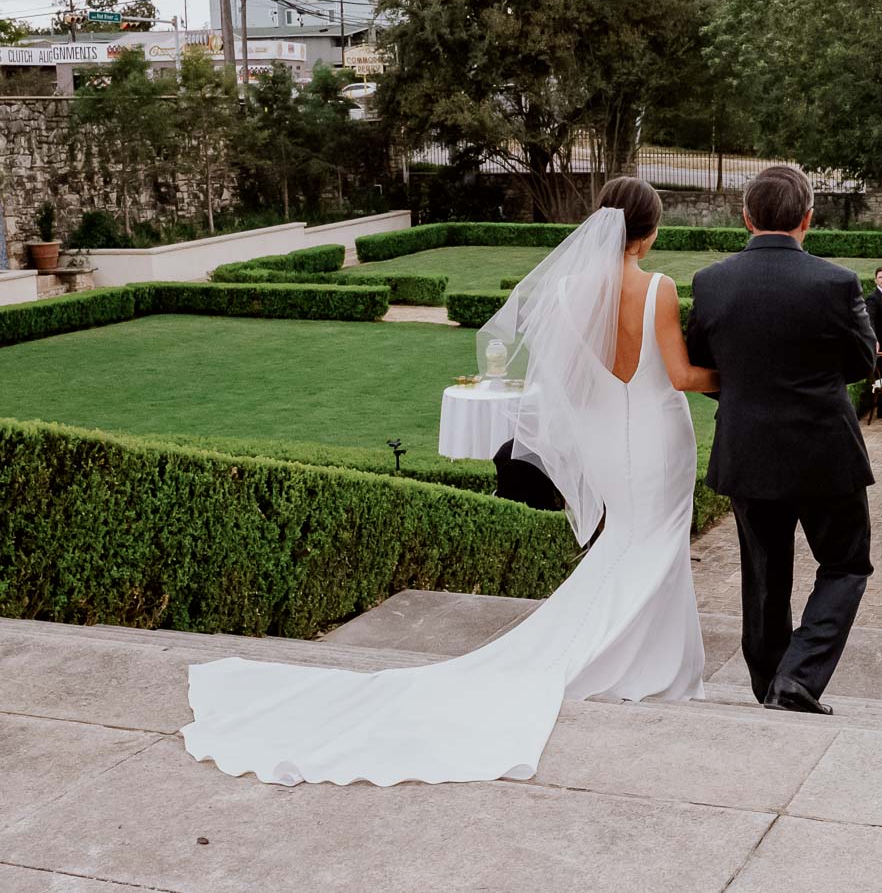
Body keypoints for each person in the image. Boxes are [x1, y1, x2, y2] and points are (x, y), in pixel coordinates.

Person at [182, 176, 722, 786]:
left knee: (629, 540)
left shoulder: (569, 289)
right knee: (656, 542)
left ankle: (652, 664)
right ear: (647, 237)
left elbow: (567, 383)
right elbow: (679, 376)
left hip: (605, 438)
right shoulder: (658, 288)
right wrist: (734, 377)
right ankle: (652, 669)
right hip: (655, 434)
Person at [687, 166, 878, 716]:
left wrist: (750, 389)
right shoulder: (836, 282)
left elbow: (702, 361)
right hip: (825, 451)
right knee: (846, 565)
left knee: (764, 574)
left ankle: (772, 680)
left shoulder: (712, 281)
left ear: (745, 217)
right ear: (808, 219)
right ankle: (795, 679)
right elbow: (862, 363)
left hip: (748, 449)